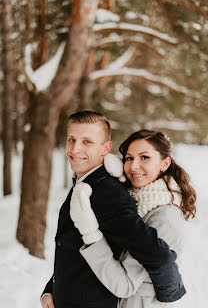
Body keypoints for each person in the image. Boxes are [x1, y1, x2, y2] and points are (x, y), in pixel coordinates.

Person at [41, 112, 186, 308]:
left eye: (87, 142)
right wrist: (51, 289)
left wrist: (169, 292)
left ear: (105, 149)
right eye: (71, 140)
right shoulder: (99, 184)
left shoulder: (108, 193)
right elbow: (70, 247)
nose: (75, 149)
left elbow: (158, 256)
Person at [70, 129, 196, 308]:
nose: (134, 166)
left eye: (145, 157)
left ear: (165, 163)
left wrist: (91, 235)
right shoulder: (132, 200)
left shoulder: (163, 217)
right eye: (129, 158)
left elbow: (124, 285)